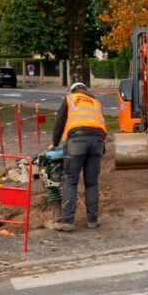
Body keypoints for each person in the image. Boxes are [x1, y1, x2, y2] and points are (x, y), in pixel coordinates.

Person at [49, 81, 107, 231]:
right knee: (92, 183)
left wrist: (54, 143)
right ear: (85, 90)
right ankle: (93, 220)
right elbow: (99, 124)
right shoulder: (96, 102)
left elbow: (59, 122)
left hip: (77, 142)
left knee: (71, 181)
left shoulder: (70, 99)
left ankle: (68, 221)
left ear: (73, 91)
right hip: (97, 143)